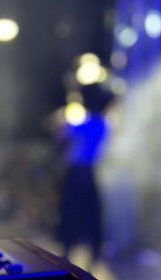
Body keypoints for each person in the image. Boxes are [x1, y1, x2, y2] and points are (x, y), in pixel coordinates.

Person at [55, 87, 113, 265]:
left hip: (76, 173)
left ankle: (67, 251)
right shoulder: (103, 125)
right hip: (89, 172)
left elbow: (61, 134)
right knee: (91, 215)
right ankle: (94, 254)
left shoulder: (85, 125)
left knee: (71, 212)